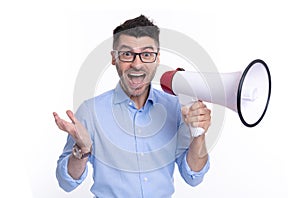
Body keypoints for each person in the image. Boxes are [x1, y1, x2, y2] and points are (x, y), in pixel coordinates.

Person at [53, 15, 211, 198]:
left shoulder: (176, 107)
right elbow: (66, 182)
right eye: (127, 54)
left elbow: (193, 176)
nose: (137, 64)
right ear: (114, 58)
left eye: (146, 54)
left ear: (157, 58)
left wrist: (198, 134)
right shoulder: (90, 111)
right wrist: (82, 150)